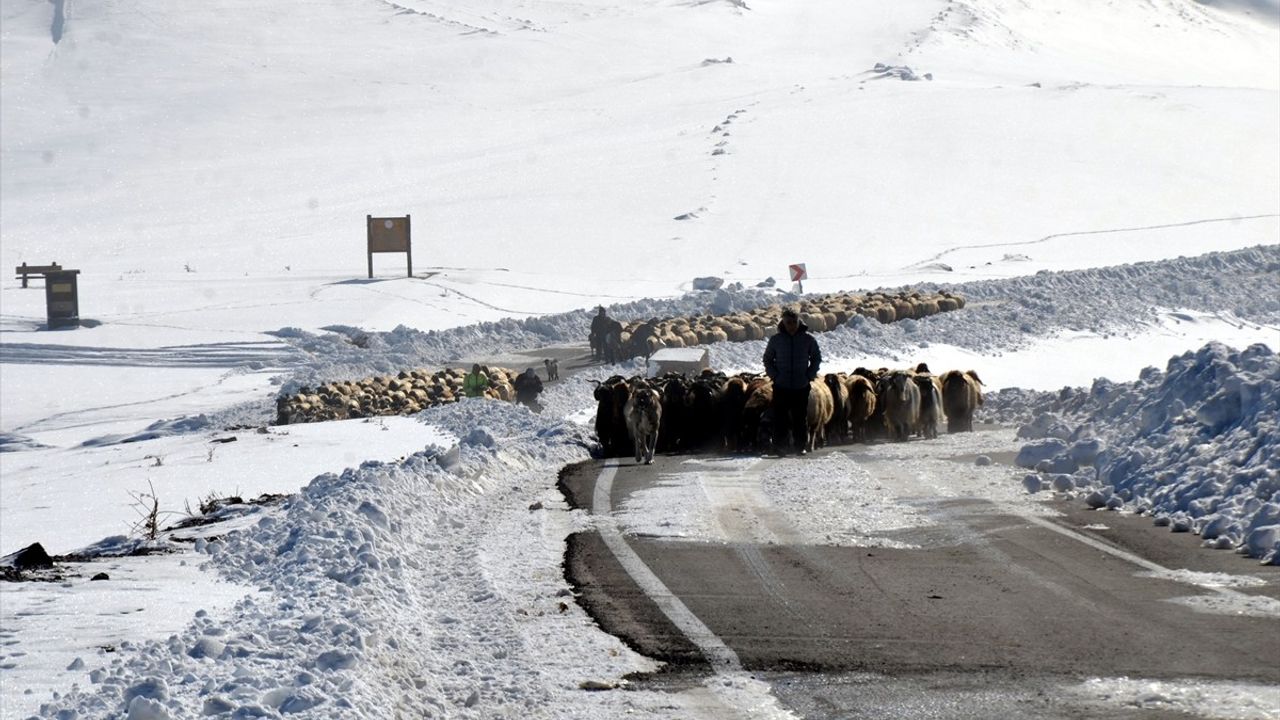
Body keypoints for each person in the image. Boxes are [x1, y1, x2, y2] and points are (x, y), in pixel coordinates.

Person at [762, 307, 821, 455]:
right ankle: (780, 446)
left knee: (800, 417)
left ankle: (800, 446)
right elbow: (767, 359)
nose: (792, 325)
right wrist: (774, 375)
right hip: (782, 385)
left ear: (798, 321)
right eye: (788, 322)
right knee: (780, 417)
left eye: (794, 322)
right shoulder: (776, 340)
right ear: (783, 322)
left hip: (801, 385)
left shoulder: (808, 339)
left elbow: (816, 357)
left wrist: (809, 375)